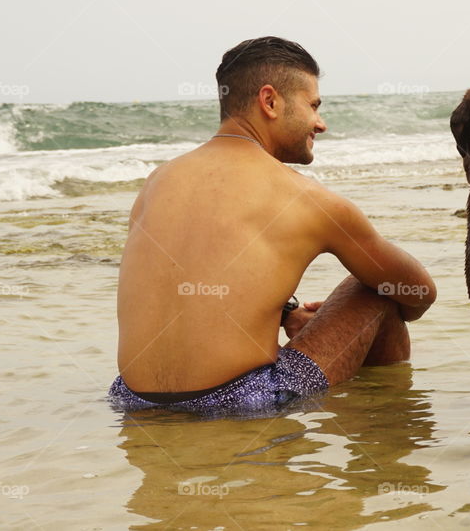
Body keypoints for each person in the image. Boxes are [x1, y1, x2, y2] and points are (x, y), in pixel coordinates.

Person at [107, 36, 436, 414]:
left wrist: (286, 314)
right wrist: (351, 322)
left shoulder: (158, 182)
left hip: (133, 399)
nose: (321, 123)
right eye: (313, 105)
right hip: (242, 400)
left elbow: (184, 278)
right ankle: (386, 434)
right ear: (270, 101)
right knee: (376, 290)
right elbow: (418, 291)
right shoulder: (306, 197)